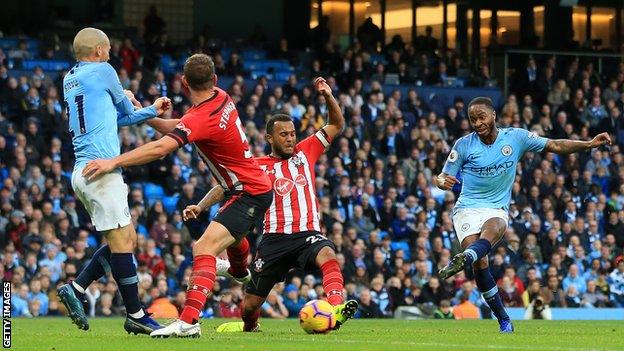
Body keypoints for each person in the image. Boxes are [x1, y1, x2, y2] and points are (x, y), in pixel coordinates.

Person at [81, 53, 274, 338]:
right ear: (215, 80)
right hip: (247, 188)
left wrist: (113, 161)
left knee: (203, 248)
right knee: (232, 235)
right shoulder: (222, 97)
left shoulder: (200, 117)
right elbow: (182, 126)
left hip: (247, 192)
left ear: (182, 82)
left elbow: (162, 148)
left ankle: (188, 321)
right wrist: (144, 113)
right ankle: (238, 270)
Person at [187, 77, 358, 333]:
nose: (290, 139)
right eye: (284, 135)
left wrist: (327, 96)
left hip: (307, 234)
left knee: (328, 255)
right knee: (249, 307)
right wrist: (200, 207)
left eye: (292, 134)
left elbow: (336, 124)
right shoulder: (256, 167)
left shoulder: (305, 151)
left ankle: (336, 309)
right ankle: (251, 328)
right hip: (273, 241)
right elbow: (224, 186)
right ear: (270, 138)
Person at [436, 96, 611, 332]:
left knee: (494, 227)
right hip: (467, 207)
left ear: (493, 115)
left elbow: (554, 145)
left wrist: (588, 144)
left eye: (481, 117)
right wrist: (441, 182)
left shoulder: (516, 137)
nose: (477, 123)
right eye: (472, 119)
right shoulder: (464, 144)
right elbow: (441, 175)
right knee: (481, 263)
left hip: (495, 207)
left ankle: (468, 260)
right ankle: (502, 316)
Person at [57, 27, 171, 335]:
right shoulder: (104, 71)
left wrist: (146, 109)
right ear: (97, 52)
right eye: (107, 50)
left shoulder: (70, 78)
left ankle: (77, 288)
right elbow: (124, 109)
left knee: (127, 240)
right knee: (123, 246)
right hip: (101, 171)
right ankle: (136, 314)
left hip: (83, 171)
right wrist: (140, 103)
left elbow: (112, 117)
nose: (111, 54)